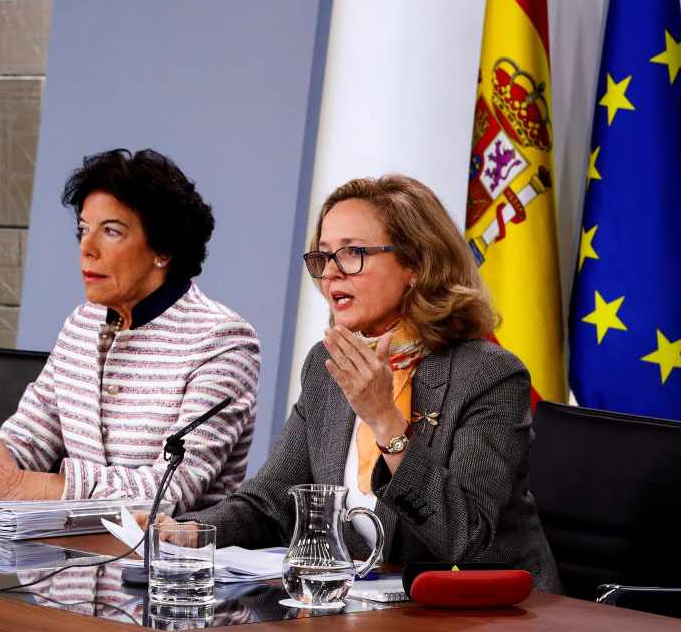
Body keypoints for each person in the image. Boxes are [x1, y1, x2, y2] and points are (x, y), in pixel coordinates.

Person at [176, 174, 561, 591]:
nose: (332, 274)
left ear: (416, 264)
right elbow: (272, 502)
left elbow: (471, 540)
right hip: (364, 612)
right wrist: (183, 530)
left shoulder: (488, 376)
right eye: (324, 257)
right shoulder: (328, 365)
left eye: (354, 252)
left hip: (484, 617)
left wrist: (385, 421)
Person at [0, 149, 260, 511]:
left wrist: (20, 483)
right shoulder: (82, 323)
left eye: (111, 231)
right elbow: (32, 437)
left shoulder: (222, 341)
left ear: (162, 248)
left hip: (158, 560)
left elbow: (170, 491)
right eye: (84, 229)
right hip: (66, 557)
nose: (87, 247)